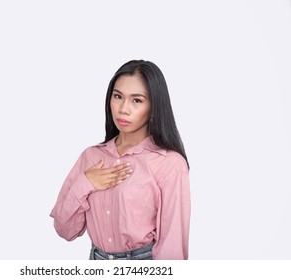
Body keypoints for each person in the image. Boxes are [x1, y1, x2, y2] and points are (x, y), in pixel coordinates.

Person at [50, 59, 190, 260]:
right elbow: (64, 230)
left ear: (154, 107)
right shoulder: (91, 157)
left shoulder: (169, 164)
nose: (123, 109)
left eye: (137, 100)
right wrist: (86, 183)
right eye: (118, 97)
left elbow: (173, 247)